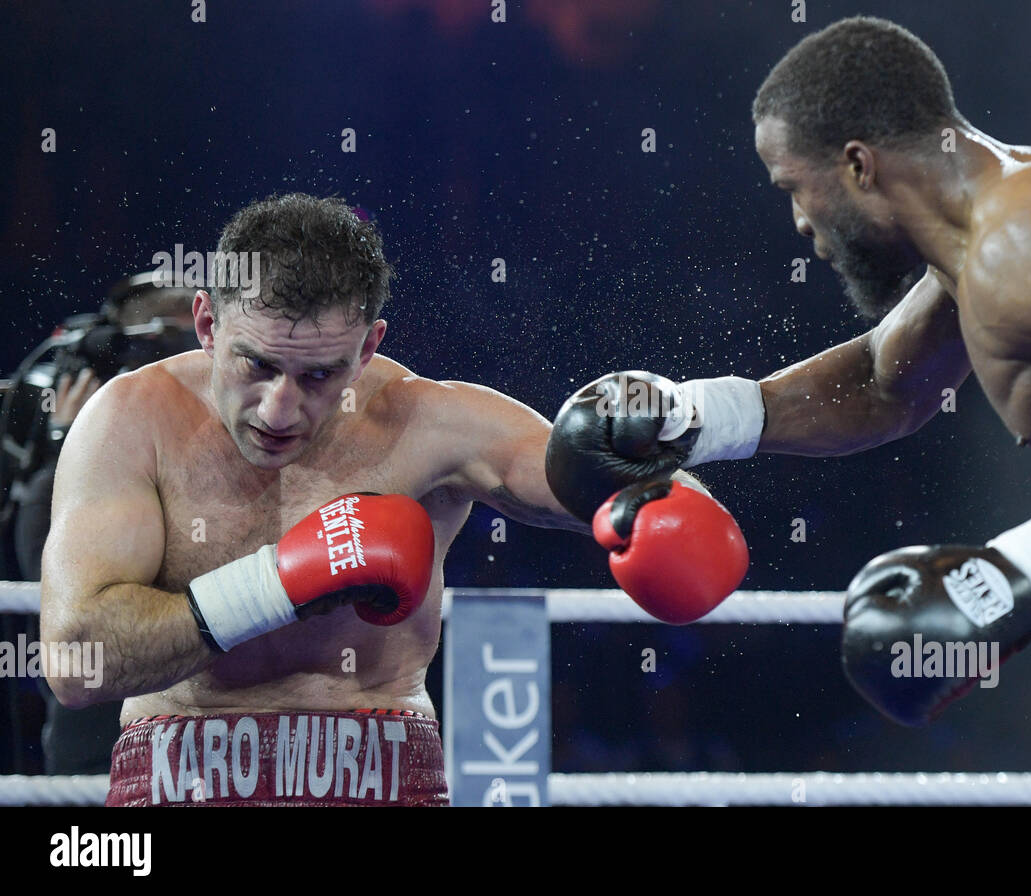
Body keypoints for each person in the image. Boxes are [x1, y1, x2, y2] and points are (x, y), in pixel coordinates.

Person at [543, 16, 1031, 807]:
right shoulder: (1005, 224)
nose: (799, 222)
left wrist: (1007, 578)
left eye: (793, 187)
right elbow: (883, 382)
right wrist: (692, 415)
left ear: (858, 165)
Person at [39, 193, 609, 806]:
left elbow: (614, 486)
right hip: (181, 777)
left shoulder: (430, 421)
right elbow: (76, 661)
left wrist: (700, 424)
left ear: (366, 348)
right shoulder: (132, 419)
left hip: (379, 776)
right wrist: (279, 586)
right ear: (207, 324)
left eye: (319, 375)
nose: (278, 410)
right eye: (256, 364)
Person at [11, 279, 198, 775]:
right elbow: (43, 572)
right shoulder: (73, 464)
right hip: (95, 743)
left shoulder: (236, 439)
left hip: (202, 745)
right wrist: (71, 447)